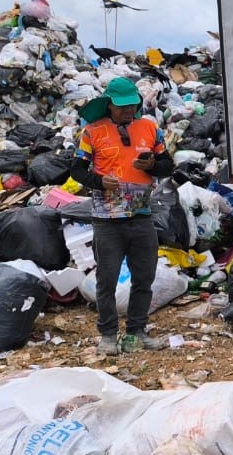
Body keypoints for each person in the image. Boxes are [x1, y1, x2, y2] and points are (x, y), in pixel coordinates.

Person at [70, 77, 174, 355]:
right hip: (107, 221)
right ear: (109, 105)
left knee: (144, 277)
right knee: (107, 279)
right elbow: (77, 170)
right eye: (122, 107)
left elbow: (168, 166)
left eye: (132, 106)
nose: (128, 112)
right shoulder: (92, 132)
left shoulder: (149, 128)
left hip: (141, 216)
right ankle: (108, 335)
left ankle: (137, 331)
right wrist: (99, 181)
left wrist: (153, 164)